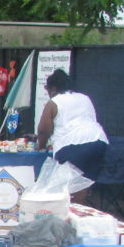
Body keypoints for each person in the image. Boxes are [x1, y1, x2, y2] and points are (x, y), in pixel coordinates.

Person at [36, 68, 108, 204]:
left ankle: (66, 215)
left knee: (66, 186)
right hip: (98, 142)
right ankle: (79, 213)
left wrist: (40, 145)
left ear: (53, 88)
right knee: (84, 182)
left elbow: (43, 130)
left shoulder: (54, 102)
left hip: (73, 146)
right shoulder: (85, 98)